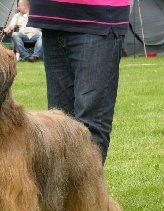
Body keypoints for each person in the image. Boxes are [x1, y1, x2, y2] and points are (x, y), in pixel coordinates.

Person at [28, 1, 131, 164]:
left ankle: (86, 190)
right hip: (51, 17)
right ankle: (64, 190)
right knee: (58, 127)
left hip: (96, 16)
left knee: (90, 128)